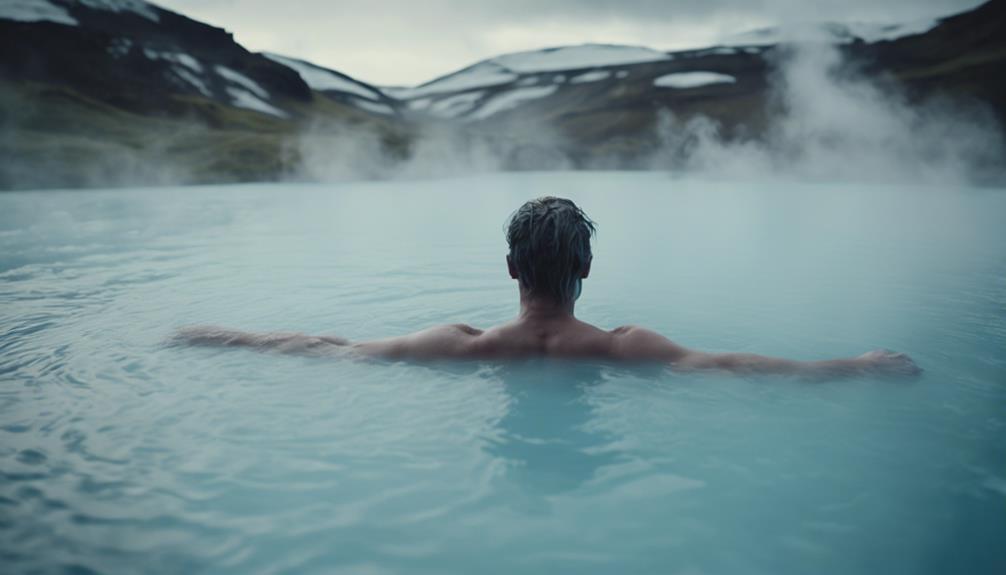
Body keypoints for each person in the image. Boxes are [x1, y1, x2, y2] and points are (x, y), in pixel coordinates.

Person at [176, 197, 920, 379]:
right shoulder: (624, 348)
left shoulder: (461, 346)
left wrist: (225, 334)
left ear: (510, 269)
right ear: (586, 269)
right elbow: (735, 367)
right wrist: (852, 366)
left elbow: (327, 348)